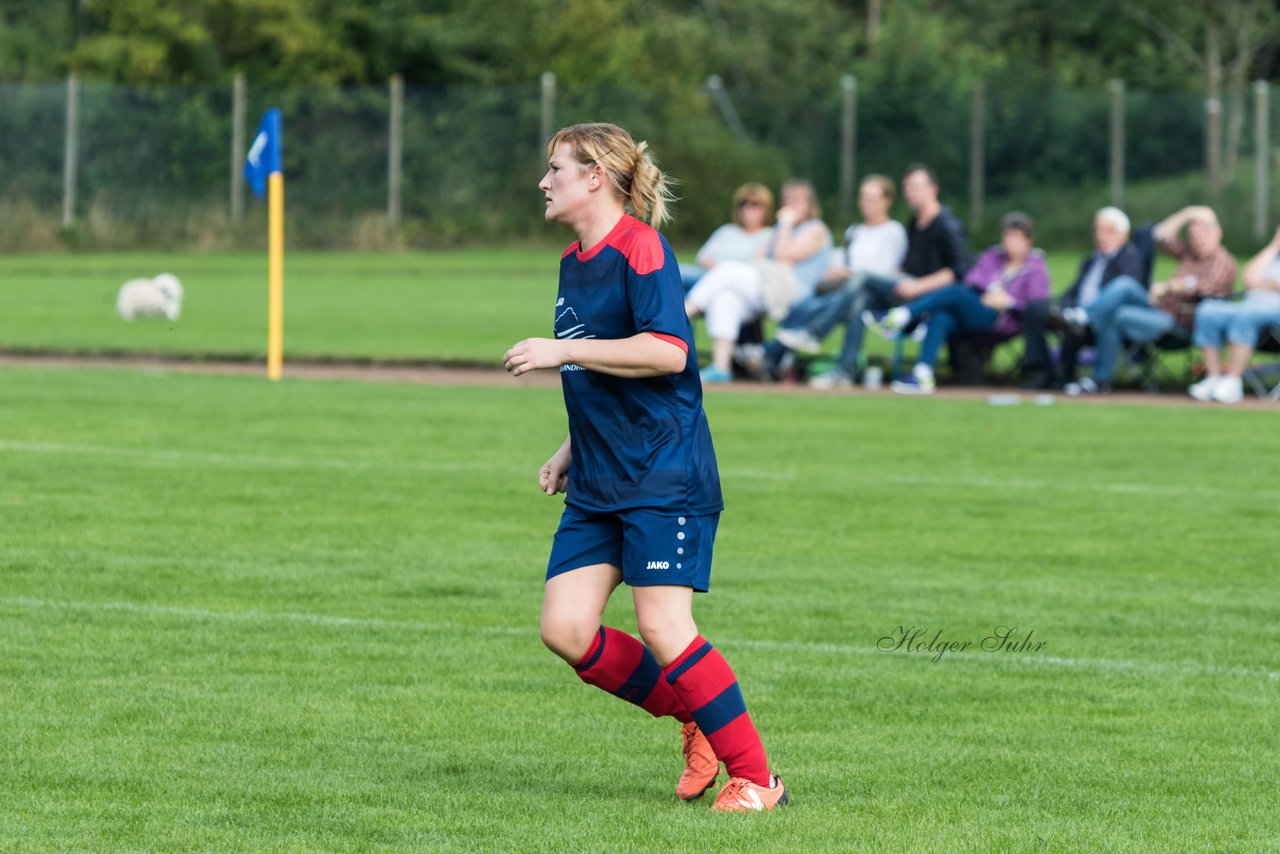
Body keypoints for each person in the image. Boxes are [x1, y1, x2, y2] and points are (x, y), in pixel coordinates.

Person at [503, 122, 788, 813]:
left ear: (595, 177)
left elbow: (667, 352)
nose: (545, 182)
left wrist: (561, 352)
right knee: (565, 630)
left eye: (556, 169)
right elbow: (606, 366)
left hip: (664, 473)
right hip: (600, 478)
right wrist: (571, 448)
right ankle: (696, 717)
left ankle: (756, 779)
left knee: (665, 627)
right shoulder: (576, 260)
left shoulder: (643, 247)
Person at [808, 163, 971, 390]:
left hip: (932, 298)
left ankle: (817, 331)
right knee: (860, 300)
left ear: (933, 189)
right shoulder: (915, 224)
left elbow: (960, 270)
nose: (910, 192)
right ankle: (844, 369)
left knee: (863, 277)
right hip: (908, 290)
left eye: (915, 187)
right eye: (907, 187)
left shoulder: (947, 223)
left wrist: (918, 286)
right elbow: (909, 267)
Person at [865, 212, 1050, 394]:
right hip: (978, 310)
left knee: (954, 291)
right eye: (1007, 237)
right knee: (942, 315)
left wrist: (1007, 301)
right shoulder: (993, 256)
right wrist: (989, 292)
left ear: (1028, 241)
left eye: (1016, 238)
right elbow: (973, 279)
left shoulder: (1035, 267)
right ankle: (923, 373)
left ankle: (901, 315)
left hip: (1004, 320)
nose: (1010, 243)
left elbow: (1036, 303)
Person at [746, 174, 907, 378]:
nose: (866, 204)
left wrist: (852, 273)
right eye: (863, 198)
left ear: (887, 201)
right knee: (809, 304)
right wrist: (839, 272)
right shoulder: (855, 230)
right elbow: (842, 263)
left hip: (876, 293)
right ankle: (777, 357)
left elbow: (884, 272)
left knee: (859, 296)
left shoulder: (893, 231)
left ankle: (810, 337)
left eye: (872, 199)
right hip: (846, 291)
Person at [1064, 205, 1236, 395]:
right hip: (1158, 310)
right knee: (1125, 285)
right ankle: (1085, 319)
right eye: (1194, 234)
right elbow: (1159, 234)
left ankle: (1099, 375)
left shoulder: (1223, 261)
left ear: (1218, 233)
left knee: (1116, 313)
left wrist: (1170, 286)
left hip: (1179, 323)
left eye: (1204, 233)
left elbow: (1207, 286)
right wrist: (1189, 213)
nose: (1198, 239)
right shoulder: (1190, 255)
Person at [684, 179, 833, 383]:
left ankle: (680, 316)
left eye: (798, 200)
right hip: (770, 288)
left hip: (791, 292)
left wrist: (785, 224)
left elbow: (782, 255)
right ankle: (721, 367)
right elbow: (758, 260)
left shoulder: (815, 229)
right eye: (787, 200)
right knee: (725, 297)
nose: (791, 205)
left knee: (726, 269)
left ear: (810, 204)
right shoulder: (780, 230)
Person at [1019, 206, 1146, 389]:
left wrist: (1084, 313)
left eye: (1108, 231)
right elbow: (1073, 291)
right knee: (1035, 308)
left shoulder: (1131, 257)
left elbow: (1126, 296)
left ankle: (1081, 320)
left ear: (1123, 235)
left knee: (1111, 299)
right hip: (1075, 314)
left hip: (1102, 320)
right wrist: (1064, 308)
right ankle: (1041, 371)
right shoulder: (1091, 260)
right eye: (1098, 230)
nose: (1101, 236)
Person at [1188, 223, 1280, 404]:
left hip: (1271, 312)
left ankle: (1233, 380)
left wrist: (1265, 285)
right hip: (1253, 303)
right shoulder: (1273, 257)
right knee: (1207, 310)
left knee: (1246, 313)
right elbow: (1250, 279)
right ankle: (1213, 377)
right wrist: (1274, 245)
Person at [679, 183, 776, 290]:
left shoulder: (769, 235)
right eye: (743, 203)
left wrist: (724, 273)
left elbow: (755, 266)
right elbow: (703, 256)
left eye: (754, 204)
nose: (747, 208)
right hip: (706, 274)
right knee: (674, 272)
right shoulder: (727, 230)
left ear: (766, 209)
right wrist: (715, 269)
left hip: (736, 283)